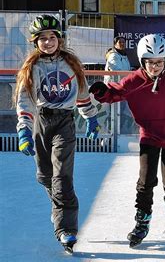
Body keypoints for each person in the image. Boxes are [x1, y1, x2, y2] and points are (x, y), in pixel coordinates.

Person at [88, 34, 165, 248]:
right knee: (145, 181)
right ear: (142, 61)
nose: (155, 67)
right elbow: (116, 91)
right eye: (150, 62)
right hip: (149, 134)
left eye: (159, 62)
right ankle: (142, 220)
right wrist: (103, 92)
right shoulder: (135, 79)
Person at [13, 14, 101, 254]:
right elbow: (25, 101)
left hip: (64, 121)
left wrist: (91, 118)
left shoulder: (71, 64)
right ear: (35, 42)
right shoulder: (32, 68)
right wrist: (24, 131)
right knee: (44, 176)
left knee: (61, 177)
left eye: (52, 37)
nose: (48, 42)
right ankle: (58, 208)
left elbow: (82, 95)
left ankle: (66, 229)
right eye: (43, 38)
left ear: (59, 40)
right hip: (42, 120)